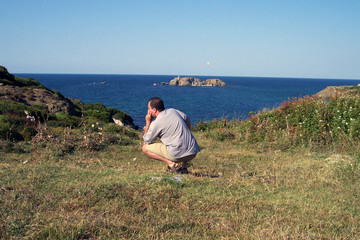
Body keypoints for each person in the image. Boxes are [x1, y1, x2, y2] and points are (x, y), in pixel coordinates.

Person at [142, 97, 200, 173]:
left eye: (149, 108)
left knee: (144, 148)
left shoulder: (156, 123)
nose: (148, 111)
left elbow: (146, 140)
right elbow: (187, 120)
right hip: (193, 151)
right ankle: (184, 167)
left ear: (154, 110)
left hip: (177, 154)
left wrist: (148, 122)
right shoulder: (173, 111)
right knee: (181, 142)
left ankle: (171, 163)